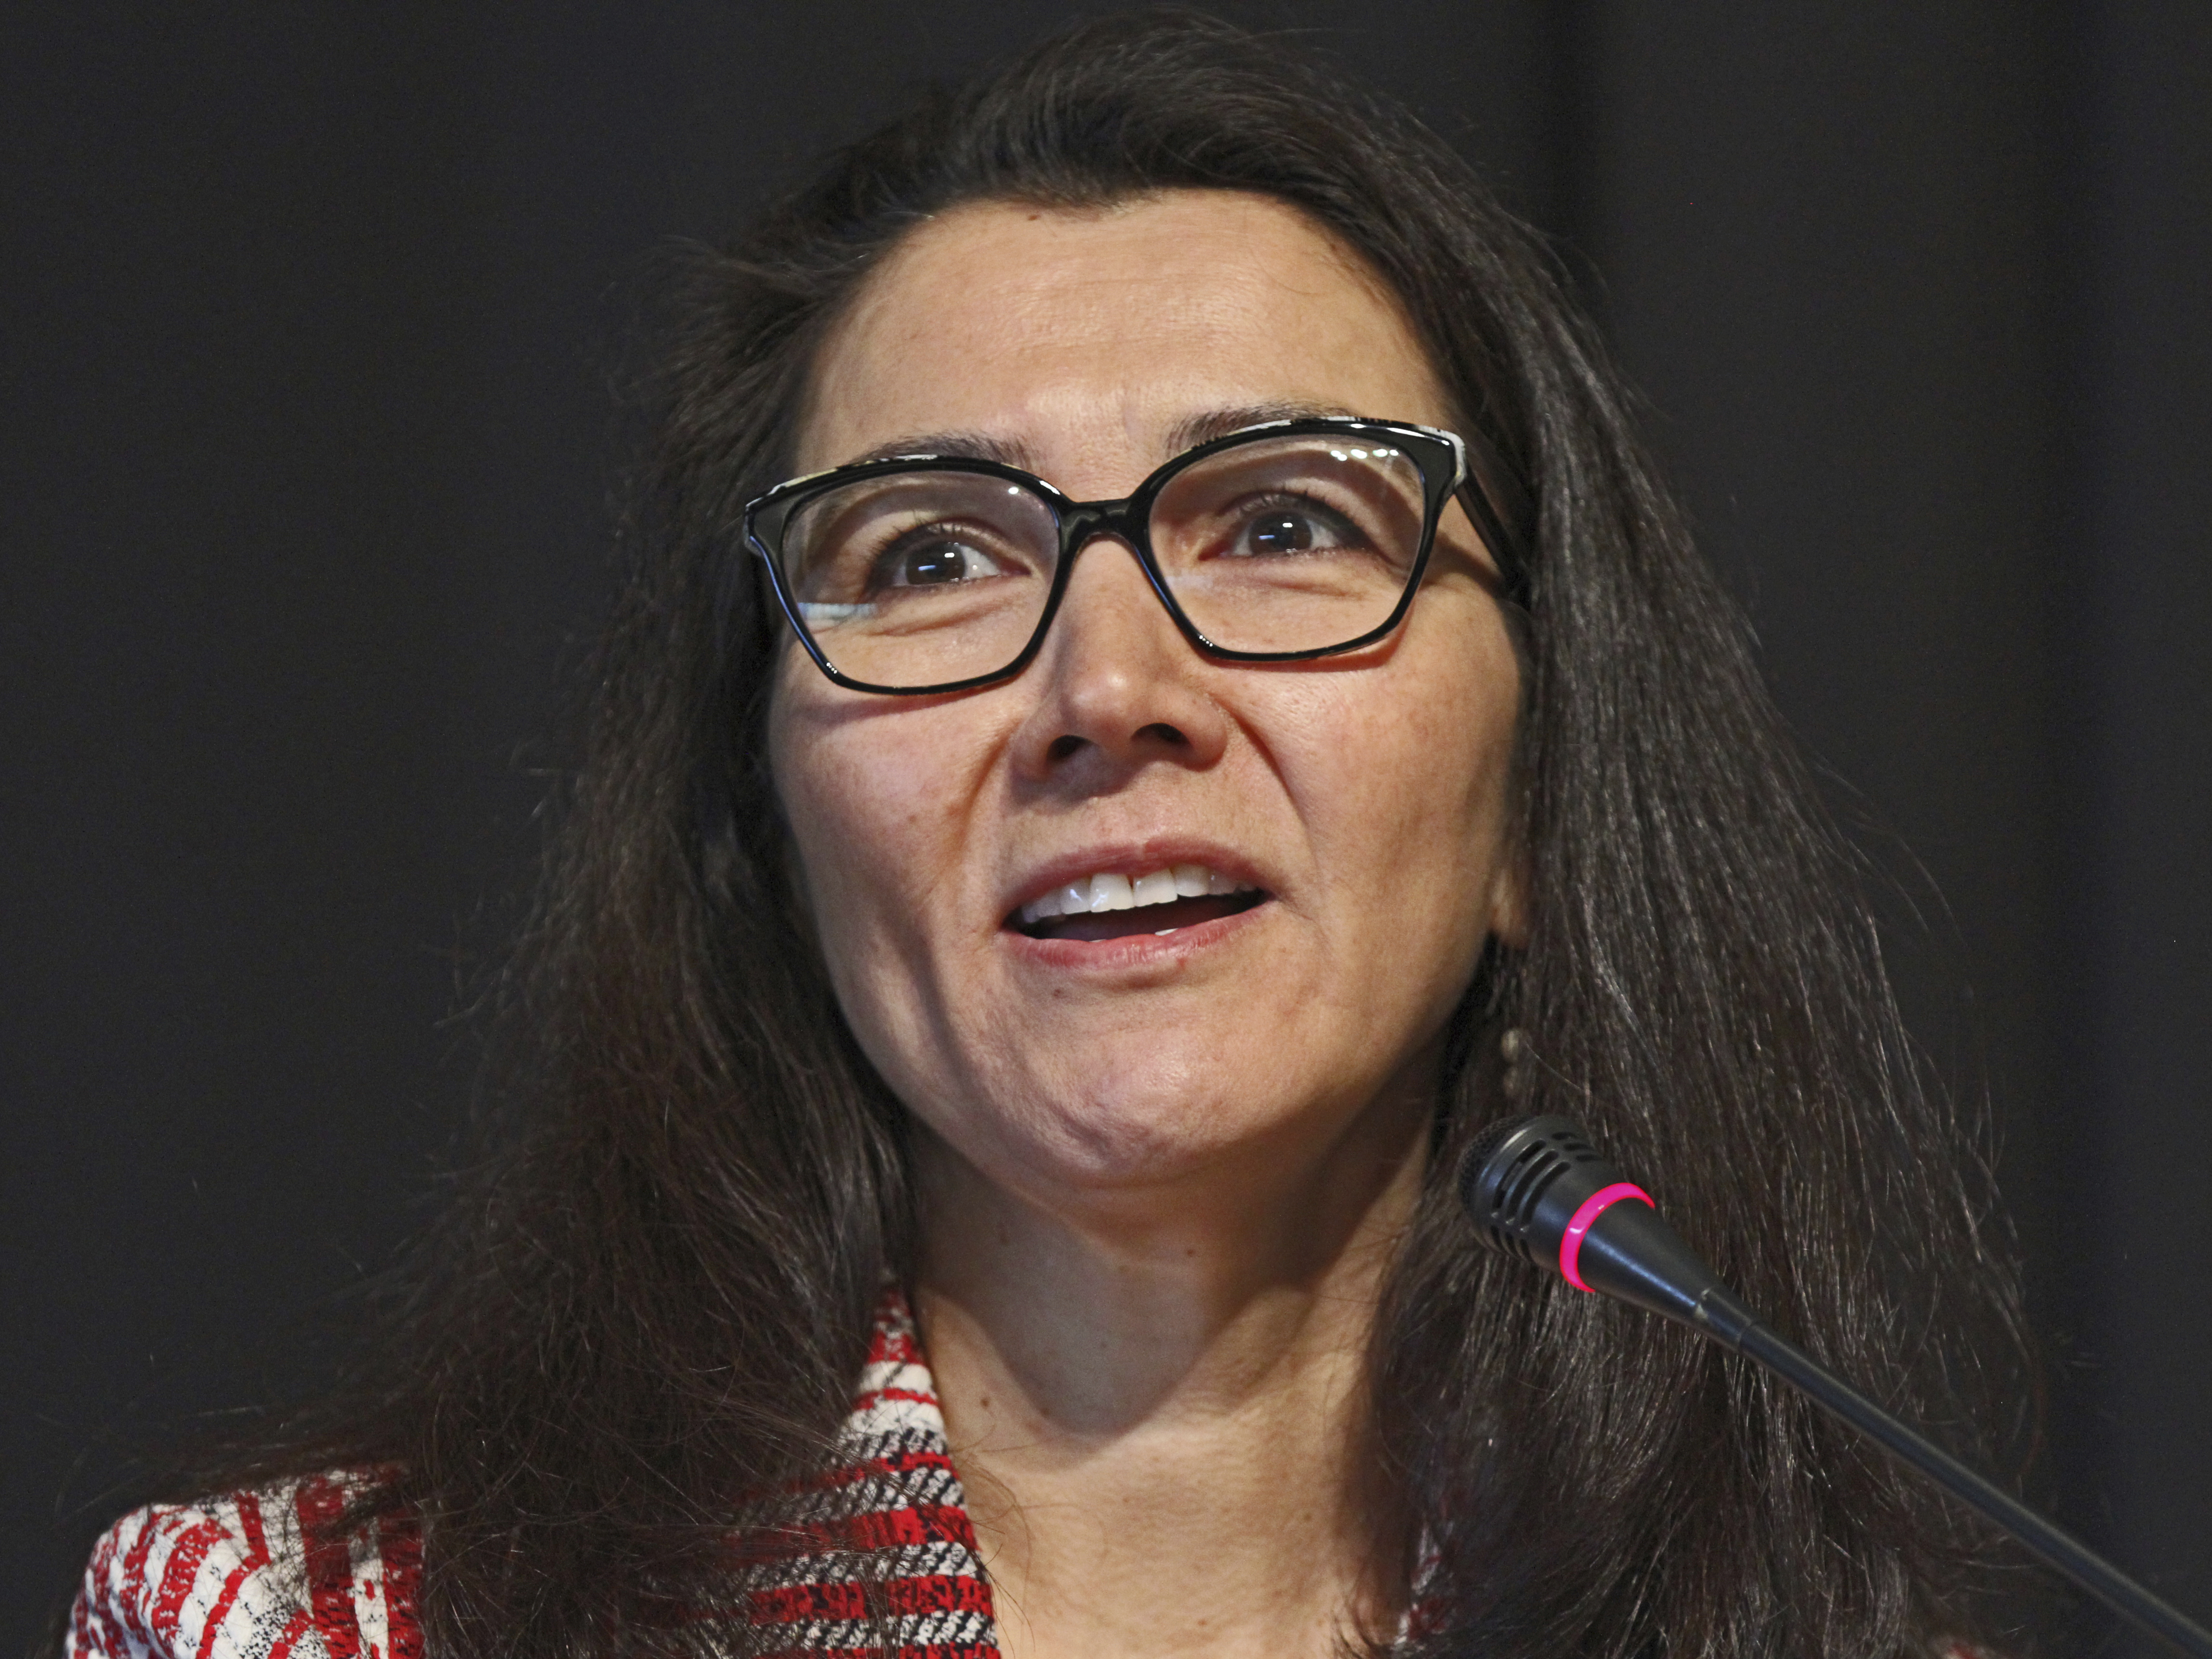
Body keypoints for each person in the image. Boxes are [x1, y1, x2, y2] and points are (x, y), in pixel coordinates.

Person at [61, 12, 2028, 1658]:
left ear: (1533, 800)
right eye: (928, 554)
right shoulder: (313, 1624)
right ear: (766, 819)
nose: (1107, 687)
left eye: (1278, 525)